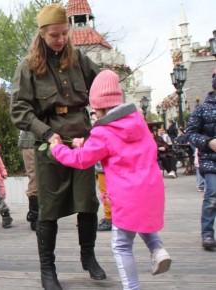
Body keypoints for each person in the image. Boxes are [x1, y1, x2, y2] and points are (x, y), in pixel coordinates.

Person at [10, 4, 105, 289]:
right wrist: (45, 131)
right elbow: (19, 110)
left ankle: (88, 257)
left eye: (64, 33)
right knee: (48, 208)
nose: (61, 39)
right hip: (50, 143)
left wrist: (103, 119)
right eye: (54, 35)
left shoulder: (79, 60)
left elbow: (103, 85)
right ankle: (47, 270)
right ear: (41, 34)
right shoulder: (28, 66)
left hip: (82, 142)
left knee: (88, 203)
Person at [50, 70, 172, 290]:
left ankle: (131, 287)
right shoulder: (138, 122)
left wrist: (57, 149)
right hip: (152, 187)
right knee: (142, 220)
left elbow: (81, 160)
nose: (95, 116)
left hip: (126, 194)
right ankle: (158, 249)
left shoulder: (104, 132)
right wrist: (85, 143)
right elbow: (121, 149)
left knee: (121, 245)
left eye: (94, 111)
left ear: (100, 107)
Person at [186, 68, 216, 250]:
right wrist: (209, 142)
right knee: (212, 194)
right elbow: (190, 133)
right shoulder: (203, 109)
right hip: (211, 159)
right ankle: (207, 234)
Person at [18, 130, 38, 231]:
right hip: (31, 140)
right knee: (34, 176)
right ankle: (35, 215)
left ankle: (41, 214)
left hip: (48, 139)